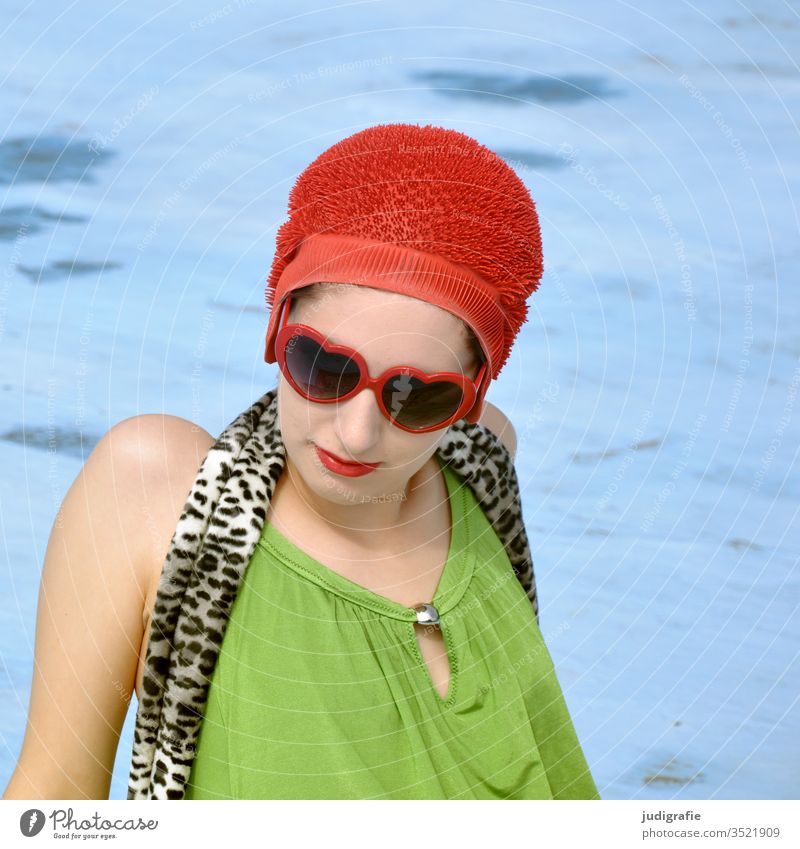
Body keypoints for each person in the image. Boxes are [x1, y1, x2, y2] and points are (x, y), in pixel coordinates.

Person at [3, 123, 599, 801]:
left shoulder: (479, 469)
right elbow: (52, 799)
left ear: (470, 395)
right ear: (276, 327)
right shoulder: (159, 494)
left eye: (417, 395)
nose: (358, 432)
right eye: (324, 365)